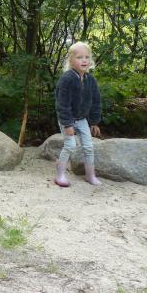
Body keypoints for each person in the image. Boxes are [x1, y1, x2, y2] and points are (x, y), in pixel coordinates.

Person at [54, 41, 102, 187]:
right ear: (71, 60)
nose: (84, 60)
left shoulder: (90, 80)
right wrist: (67, 124)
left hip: (82, 120)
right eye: (80, 57)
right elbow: (62, 104)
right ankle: (60, 174)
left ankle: (90, 175)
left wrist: (94, 122)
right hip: (67, 119)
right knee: (70, 145)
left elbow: (96, 102)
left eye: (87, 57)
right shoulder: (67, 79)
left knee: (88, 146)